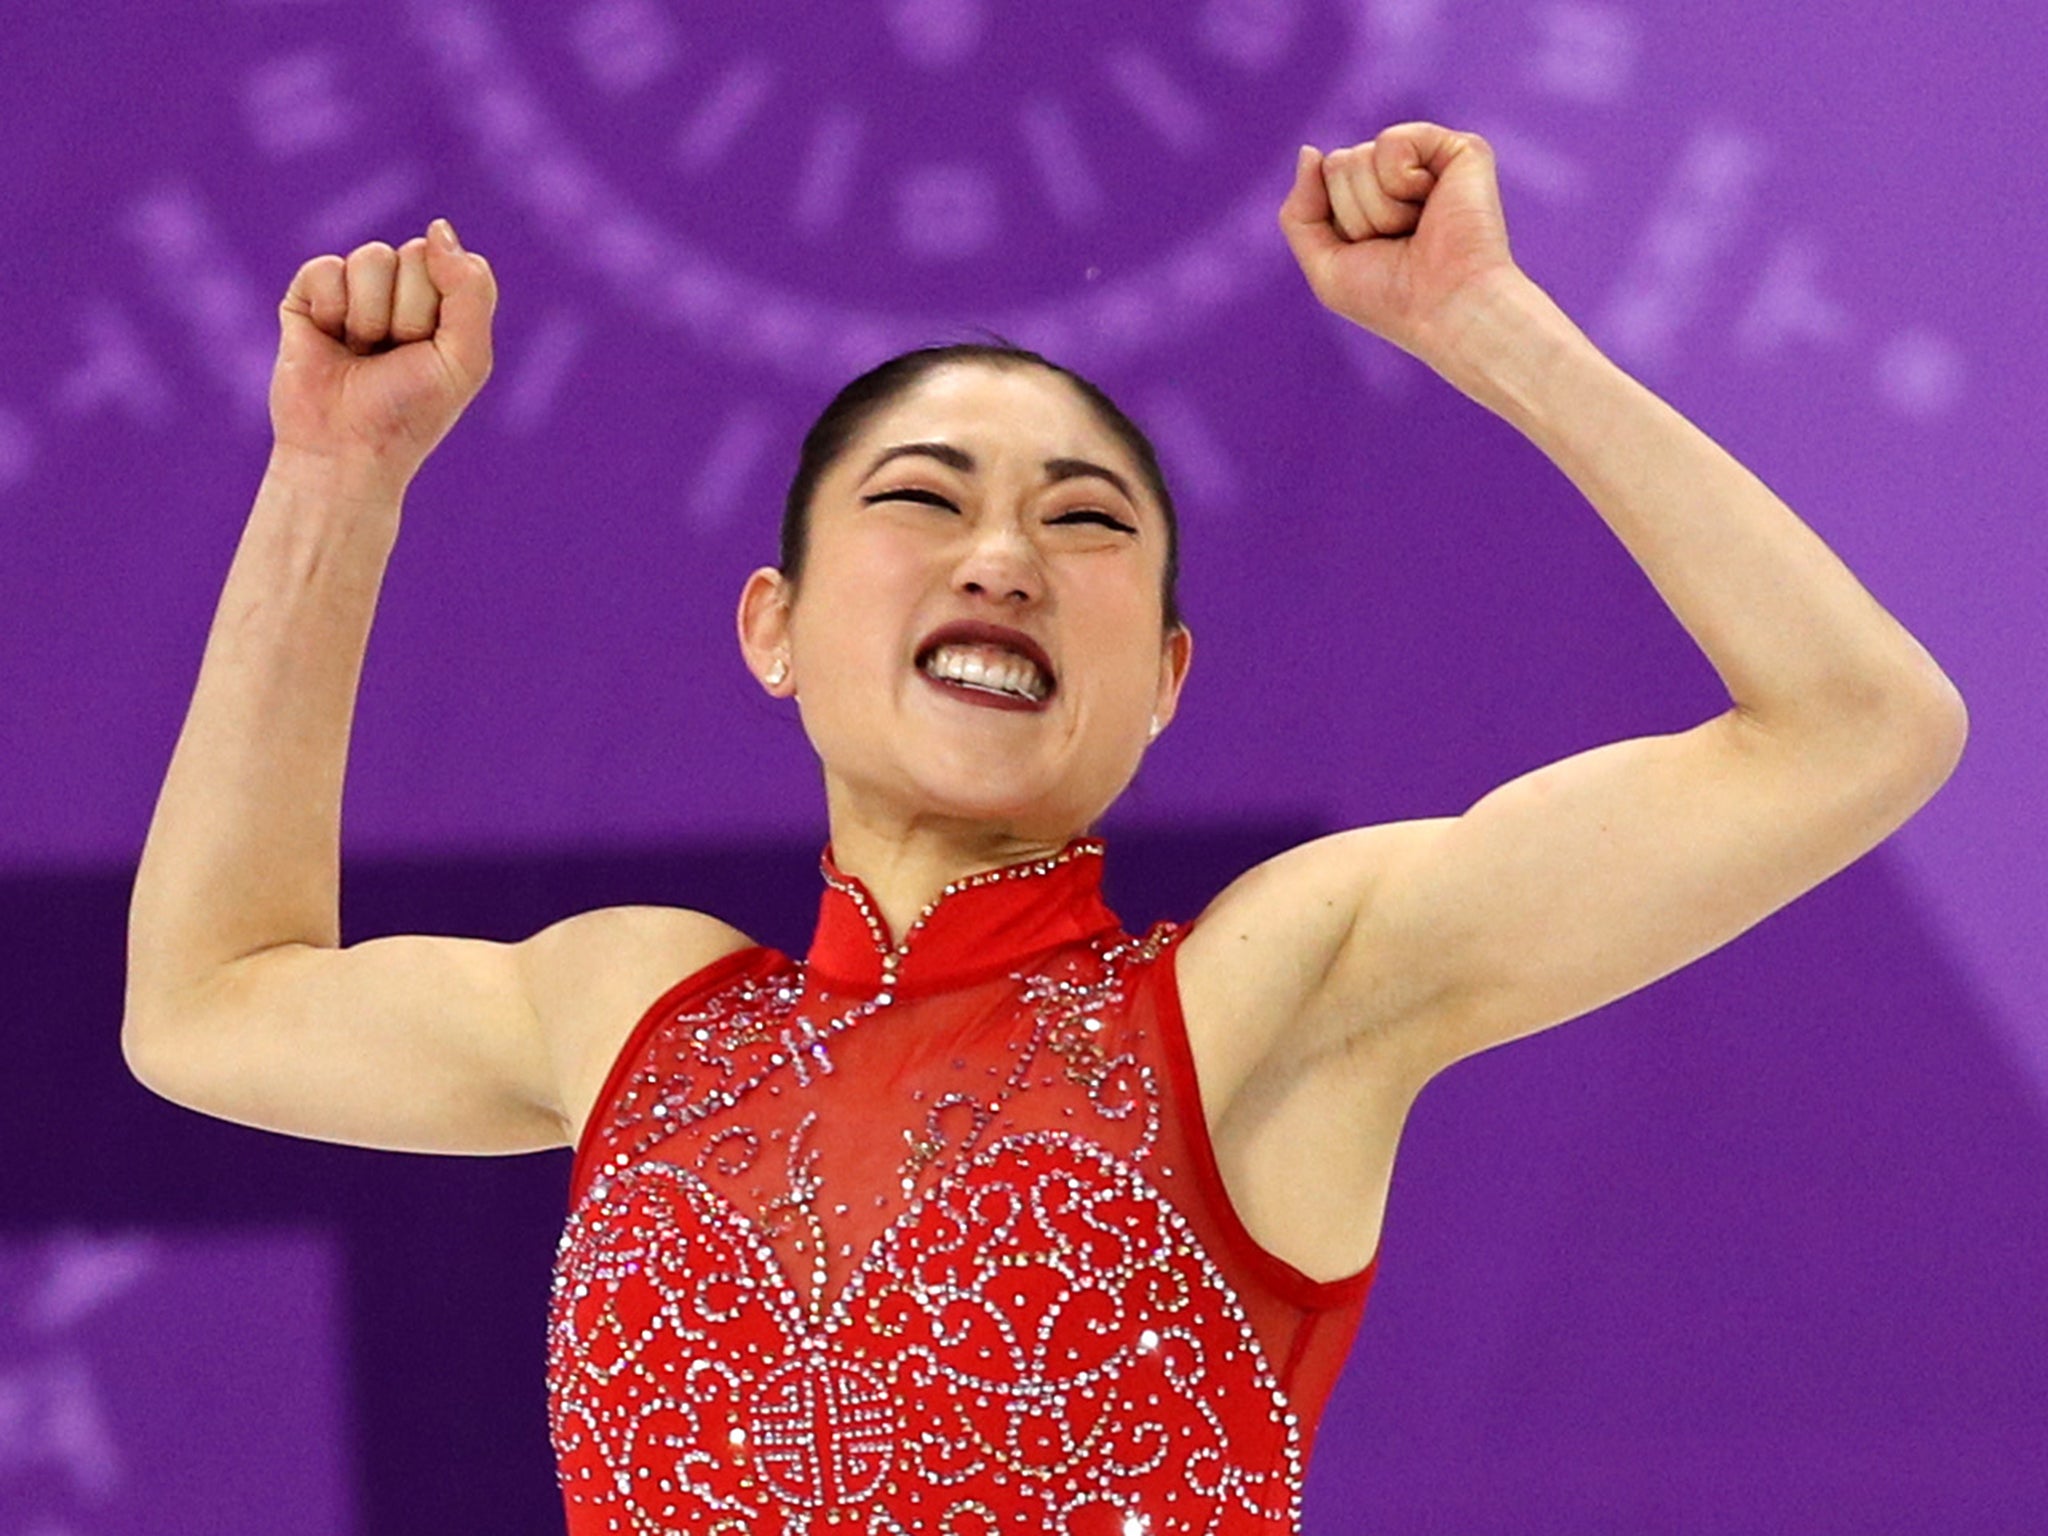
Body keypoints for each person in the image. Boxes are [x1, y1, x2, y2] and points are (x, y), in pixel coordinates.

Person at [123, 124, 1966, 1533]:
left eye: (1083, 523)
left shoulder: (1273, 994)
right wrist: (336, 478)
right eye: (926, 497)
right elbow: (205, 1004)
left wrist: (1487, 327)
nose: (1001, 554)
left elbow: (1856, 728)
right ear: (773, 626)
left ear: (1164, 680)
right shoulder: (634, 1017)